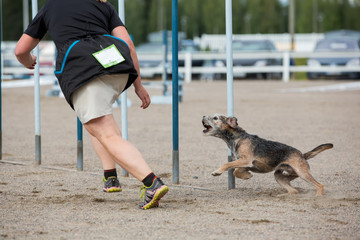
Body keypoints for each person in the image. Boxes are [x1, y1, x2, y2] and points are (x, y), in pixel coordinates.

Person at [15, 0, 168, 210]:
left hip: (84, 69)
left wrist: (27, 60)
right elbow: (129, 45)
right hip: (118, 65)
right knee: (96, 121)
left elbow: (20, 50)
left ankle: (151, 183)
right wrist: (138, 85)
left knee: (105, 133)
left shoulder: (51, 6)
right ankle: (110, 176)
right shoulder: (103, 5)